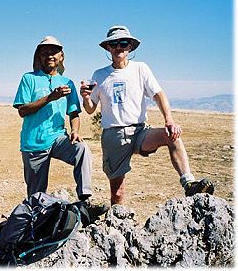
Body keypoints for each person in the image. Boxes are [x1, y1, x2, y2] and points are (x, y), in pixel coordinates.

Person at [80, 25, 214, 206]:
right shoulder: (100, 74)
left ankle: (189, 183)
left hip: (139, 132)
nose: (119, 47)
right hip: (113, 136)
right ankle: (118, 223)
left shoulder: (140, 69)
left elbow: (158, 94)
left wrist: (169, 120)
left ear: (130, 47)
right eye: (114, 43)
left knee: (171, 135)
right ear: (108, 48)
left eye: (123, 43)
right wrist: (86, 98)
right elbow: (90, 109)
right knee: (118, 193)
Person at [13, 35, 108, 217]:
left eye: (54, 52)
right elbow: (22, 110)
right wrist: (50, 97)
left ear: (61, 56)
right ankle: (36, 226)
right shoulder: (29, 79)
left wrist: (75, 131)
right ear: (39, 57)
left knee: (81, 149)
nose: (49, 55)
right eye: (45, 52)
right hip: (33, 143)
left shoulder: (67, 83)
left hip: (58, 138)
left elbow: (74, 113)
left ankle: (85, 200)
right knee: (36, 196)